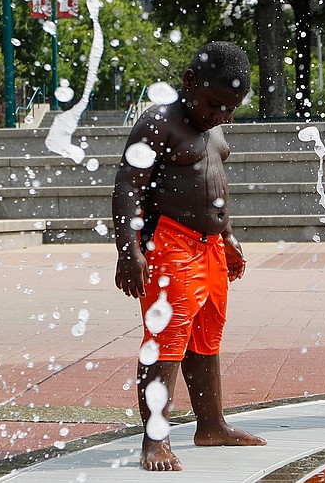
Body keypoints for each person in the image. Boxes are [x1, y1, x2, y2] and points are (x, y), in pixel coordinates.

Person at [112, 41, 266, 471]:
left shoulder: (213, 127)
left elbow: (216, 183)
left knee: (205, 337)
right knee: (166, 341)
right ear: (190, 83)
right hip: (170, 243)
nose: (222, 116)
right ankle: (154, 439)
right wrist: (129, 251)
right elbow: (127, 185)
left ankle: (212, 424)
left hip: (210, 247)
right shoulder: (160, 122)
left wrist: (229, 236)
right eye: (215, 104)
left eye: (231, 109)